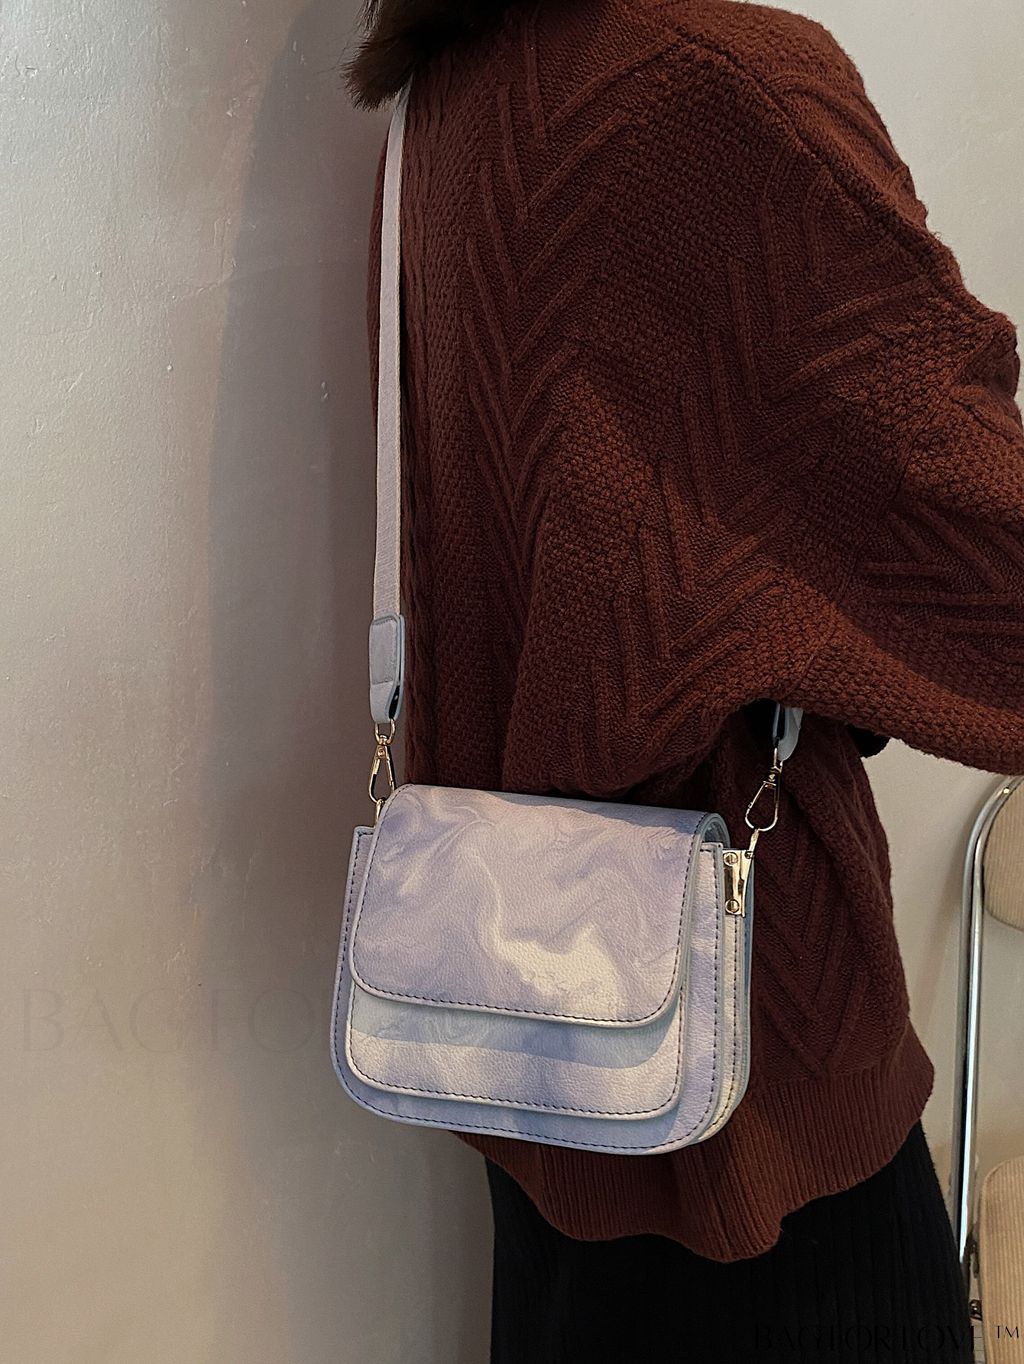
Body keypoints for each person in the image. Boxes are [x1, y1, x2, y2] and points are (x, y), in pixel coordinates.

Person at [342, 1, 1024, 1359]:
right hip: (758, 1115)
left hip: (529, 1075)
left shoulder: (437, 116)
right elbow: (984, 563)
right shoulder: (721, 88)